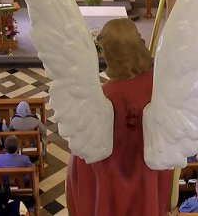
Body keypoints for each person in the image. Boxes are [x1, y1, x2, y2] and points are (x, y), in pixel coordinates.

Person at [66, 19, 173, 216]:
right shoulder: (158, 87)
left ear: (112, 53)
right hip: (146, 171)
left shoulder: (104, 96)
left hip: (109, 177)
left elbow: (85, 150)